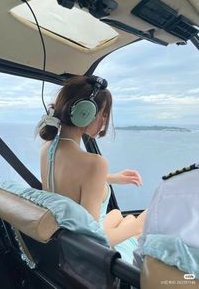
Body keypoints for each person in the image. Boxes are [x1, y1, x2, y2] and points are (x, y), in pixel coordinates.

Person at [37, 75, 147, 264]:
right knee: (131, 221)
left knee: (116, 215)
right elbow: (93, 241)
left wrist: (111, 178)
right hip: (90, 254)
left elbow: (69, 182)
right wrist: (139, 225)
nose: (104, 120)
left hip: (64, 241)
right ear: (84, 112)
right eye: (103, 113)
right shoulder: (95, 163)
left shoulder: (47, 148)